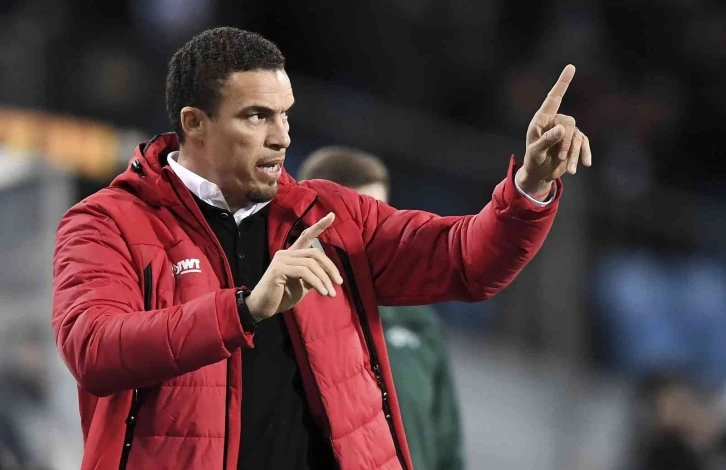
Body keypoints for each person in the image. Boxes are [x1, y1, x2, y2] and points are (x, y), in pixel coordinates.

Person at [51, 27, 592, 470]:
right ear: (195, 123)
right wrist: (244, 309)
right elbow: (93, 348)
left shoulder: (330, 215)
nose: (282, 136)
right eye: (257, 116)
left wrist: (530, 185)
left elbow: (464, 260)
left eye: (285, 114)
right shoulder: (106, 224)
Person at [298, 146, 465, 470]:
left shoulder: (417, 319)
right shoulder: (282, 316)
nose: (374, 233)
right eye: (358, 219)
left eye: (380, 216)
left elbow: (447, 443)